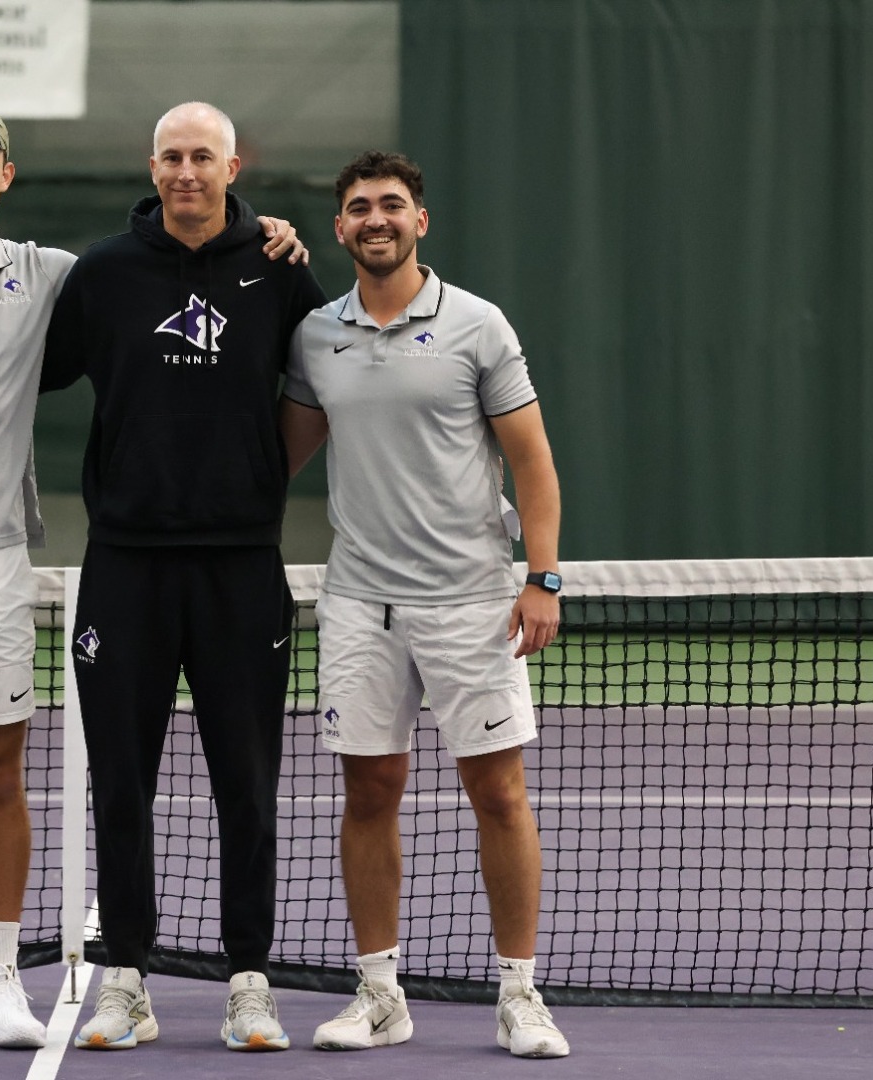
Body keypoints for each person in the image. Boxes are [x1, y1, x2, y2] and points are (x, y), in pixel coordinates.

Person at [0, 101, 304, 1054]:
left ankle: (27, 981)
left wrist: (274, 232)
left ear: (6, 176)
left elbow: (300, 359)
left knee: (24, 774)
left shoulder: (84, 275)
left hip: (34, 559)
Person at [38, 101, 328, 1053]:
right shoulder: (104, 274)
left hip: (243, 567)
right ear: (150, 165)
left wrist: (244, 485)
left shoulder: (282, 270)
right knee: (122, 783)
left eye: (204, 155)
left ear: (234, 165)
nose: (187, 171)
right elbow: (13, 372)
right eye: (172, 156)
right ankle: (126, 976)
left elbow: (323, 387)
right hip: (124, 565)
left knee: (246, 784)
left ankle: (250, 981)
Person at [277, 150, 572, 1058]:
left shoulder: (478, 326)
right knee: (368, 790)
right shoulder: (315, 336)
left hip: (472, 601)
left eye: (392, 205)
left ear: (420, 221)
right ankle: (378, 994)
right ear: (339, 228)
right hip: (361, 601)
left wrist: (542, 576)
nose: (376, 219)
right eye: (360, 207)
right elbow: (275, 457)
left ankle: (520, 995)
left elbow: (532, 460)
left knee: (499, 794)